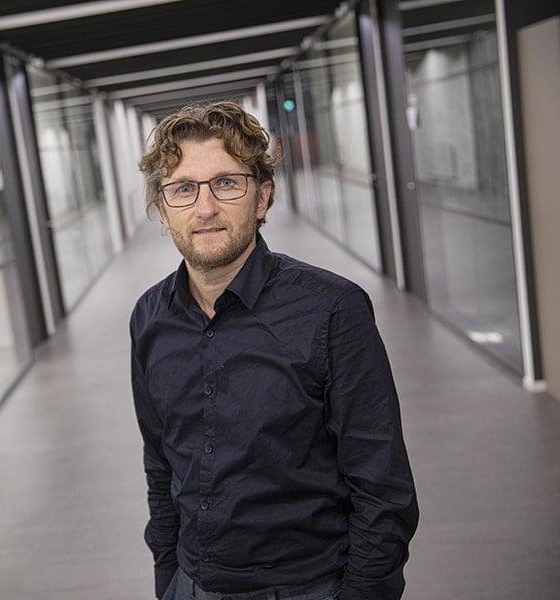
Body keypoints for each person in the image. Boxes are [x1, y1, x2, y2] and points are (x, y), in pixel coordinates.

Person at [130, 101, 418, 600]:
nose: (205, 208)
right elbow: (161, 466)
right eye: (183, 189)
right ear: (162, 209)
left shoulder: (332, 310)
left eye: (226, 183)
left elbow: (382, 488)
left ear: (262, 197)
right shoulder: (149, 318)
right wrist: (168, 579)